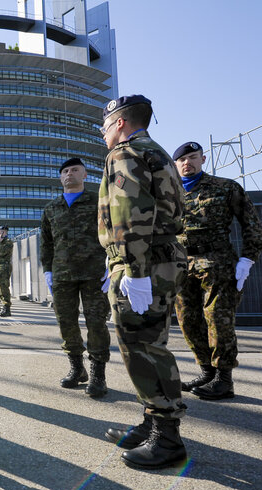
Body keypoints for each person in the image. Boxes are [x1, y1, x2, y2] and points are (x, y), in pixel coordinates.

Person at [97, 95, 188, 470]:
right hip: (162, 262)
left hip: (143, 265)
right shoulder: (159, 152)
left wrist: (132, 271)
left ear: (119, 123)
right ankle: (153, 422)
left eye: (105, 126)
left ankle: (166, 438)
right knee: (153, 342)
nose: (103, 134)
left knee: (142, 348)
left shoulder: (125, 153)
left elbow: (129, 214)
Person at [172, 141, 262, 400]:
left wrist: (248, 258)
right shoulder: (169, 193)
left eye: (192, 157)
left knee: (217, 319)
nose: (187, 163)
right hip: (181, 263)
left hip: (218, 261)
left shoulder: (226, 187)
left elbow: (251, 224)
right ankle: (207, 372)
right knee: (188, 320)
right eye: (182, 160)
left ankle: (224, 380)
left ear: (203, 159)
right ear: (176, 164)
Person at [41, 157, 111, 397]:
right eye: (65, 171)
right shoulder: (51, 209)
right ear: (61, 178)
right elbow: (47, 243)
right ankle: (77, 369)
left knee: (96, 323)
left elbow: (111, 231)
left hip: (94, 273)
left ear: (85, 176)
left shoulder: (98, 202)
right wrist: (47, 270)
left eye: (75, 170)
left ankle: (98, 374)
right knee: (66, 324)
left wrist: (112, 263)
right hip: (62, 275)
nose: (69, 174)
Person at [0, 225, 13, 317]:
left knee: (4, 287)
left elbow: (2, 252)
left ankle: (7, 308)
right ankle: (3, 307)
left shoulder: (8, 242)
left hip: (4, 267)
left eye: (0, 232)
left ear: (5, 232)